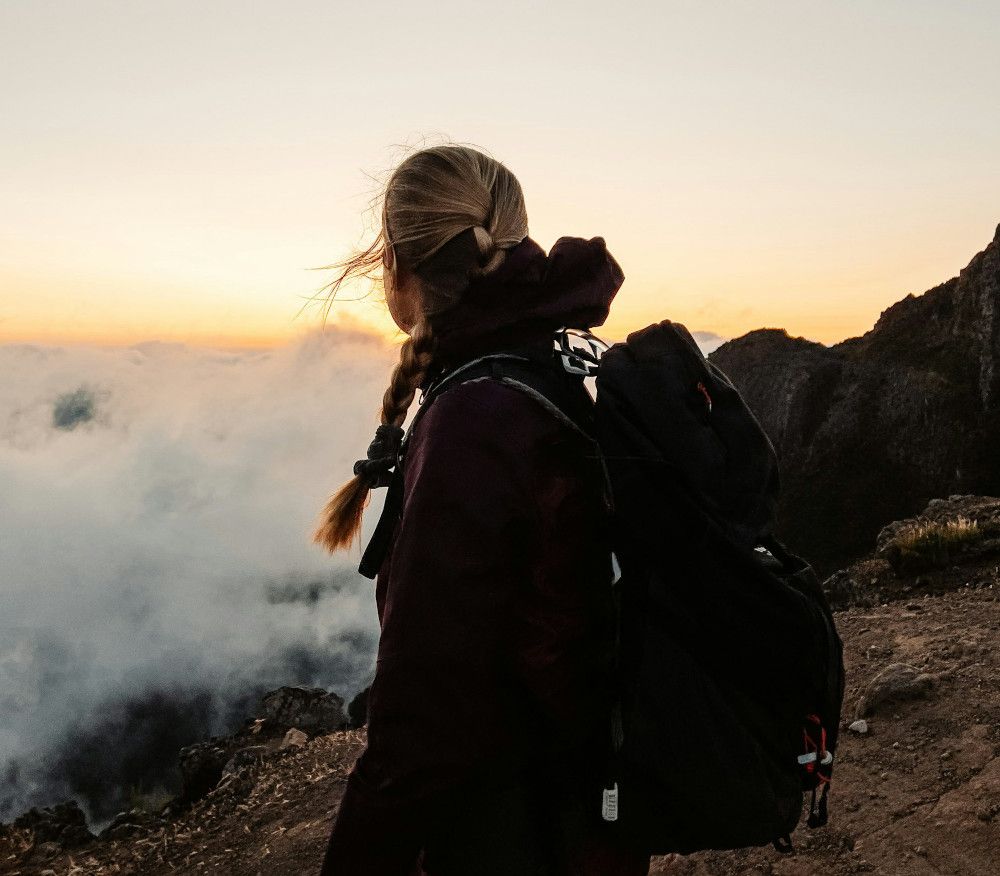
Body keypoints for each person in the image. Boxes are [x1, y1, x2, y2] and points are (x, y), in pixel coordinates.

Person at [313, 145, 650, 876]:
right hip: (590, 804)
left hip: (516, 830)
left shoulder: (473, 420)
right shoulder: (557, 360)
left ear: (395, 264)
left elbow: (420, 728)